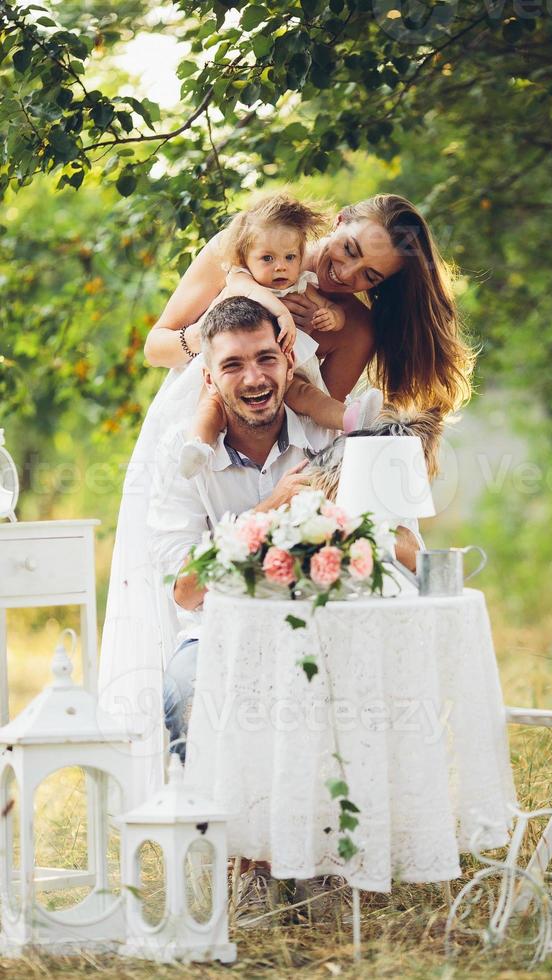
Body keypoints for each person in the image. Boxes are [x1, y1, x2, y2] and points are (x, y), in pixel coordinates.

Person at [98, 191, 474, 790]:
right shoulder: (254, 242)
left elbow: (308, 423)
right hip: (191, 421)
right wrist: (229, 325)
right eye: (348, 250)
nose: (343, 273)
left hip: (269, 435)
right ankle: (186, 789)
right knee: (174, 591)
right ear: (341, 220)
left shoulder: (353, 325)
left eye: (367, 274)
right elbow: (156, 346)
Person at [148, 295, 423, 763]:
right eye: (233, 365)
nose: (254, 378)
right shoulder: (182, 454)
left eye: (266, 359)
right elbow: (187, 590)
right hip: (223, 634)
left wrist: (341, 511)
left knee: (387, 689)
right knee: (181, 690)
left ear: (288, 360)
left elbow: (414, 555)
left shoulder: (342, 430)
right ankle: (209, 832)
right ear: (209, 378)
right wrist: (270, 510)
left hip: (337, 626)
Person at [178, 191, 383, 479]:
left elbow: (330, 309)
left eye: (290, 257)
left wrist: (332, 319)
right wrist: (282, 313)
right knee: (212, 405)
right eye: (267, 258)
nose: (280, 266)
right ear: (246, 257)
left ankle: (351, 417)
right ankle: (198, 447)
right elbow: (252, 293)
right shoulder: (241, 275)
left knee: (307, 395)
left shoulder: (300, 282)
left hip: (287, 370)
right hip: (232, 374)